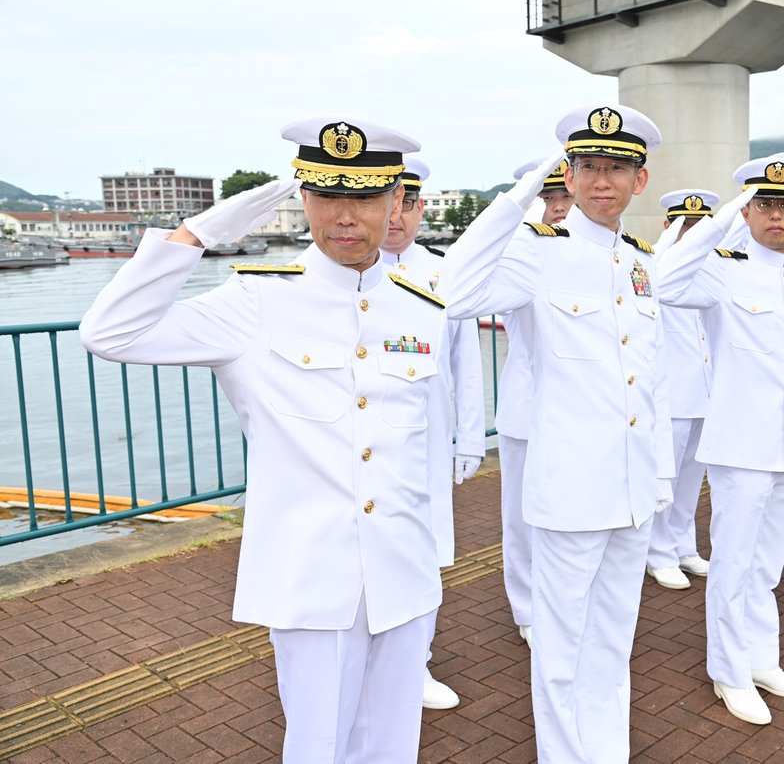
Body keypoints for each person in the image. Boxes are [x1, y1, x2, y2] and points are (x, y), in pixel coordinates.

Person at [79, 117, 443, 763]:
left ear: (394, 201)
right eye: (327, 195)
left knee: (393, 748)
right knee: (317, 747)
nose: (345, 215)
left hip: (402, 570)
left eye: (362, 196)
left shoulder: (421, 305)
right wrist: (198, 235)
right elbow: (109, 334)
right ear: (303, 200)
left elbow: (416, 446)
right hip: (311, 578)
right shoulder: (253, 299)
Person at [439, 104, 674, 763]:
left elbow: (650, 380)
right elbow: (449, 292)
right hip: (570, 489)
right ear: (565, 176)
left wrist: (659, 475)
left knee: (611, 645)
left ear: (640, 179)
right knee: (562, 652)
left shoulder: (639, 261)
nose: (603, 181)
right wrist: (516, 200)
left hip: (630, 491)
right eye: (588, 167)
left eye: (617, 168)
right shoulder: (534, 253)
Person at [657, 156, 784, 726]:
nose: (776, 216)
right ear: (748, 210)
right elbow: (663, 281)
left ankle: (761, 658)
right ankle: (728, 671)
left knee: (768, 565)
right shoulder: (721, 268)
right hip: (740, 445)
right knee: (733, 562)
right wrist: (723, 217)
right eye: (764, 205)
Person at [378, 156, 485, 710]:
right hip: (370, 447)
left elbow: (467, 364)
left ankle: (415, 662)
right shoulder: (351, 271)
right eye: (389, 202)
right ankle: (371, 662)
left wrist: (469, 440)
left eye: (409, 204)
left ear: (420, 209)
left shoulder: (446, 273)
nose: (397, 216)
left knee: (425, 553)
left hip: (427, 442)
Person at [495, 156, 573, 646]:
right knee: (521, 519)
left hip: (575, 417)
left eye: (566, 196)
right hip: (527, 411)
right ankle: (525, 606)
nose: (559, 209)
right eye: (547, 199)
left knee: (565, 517)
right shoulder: (520, 255)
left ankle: (559, 601)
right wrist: (524, 219)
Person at [644, 189, 718, 590]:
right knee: (663, 480)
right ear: (667, 225)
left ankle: (683, 546)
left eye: (699, 225)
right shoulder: (653, 264)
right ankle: (657, 553)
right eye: (684, 224)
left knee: (692, 480)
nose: (691, 232)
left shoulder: (713, 267)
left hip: (704, 393)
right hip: (669, 396)